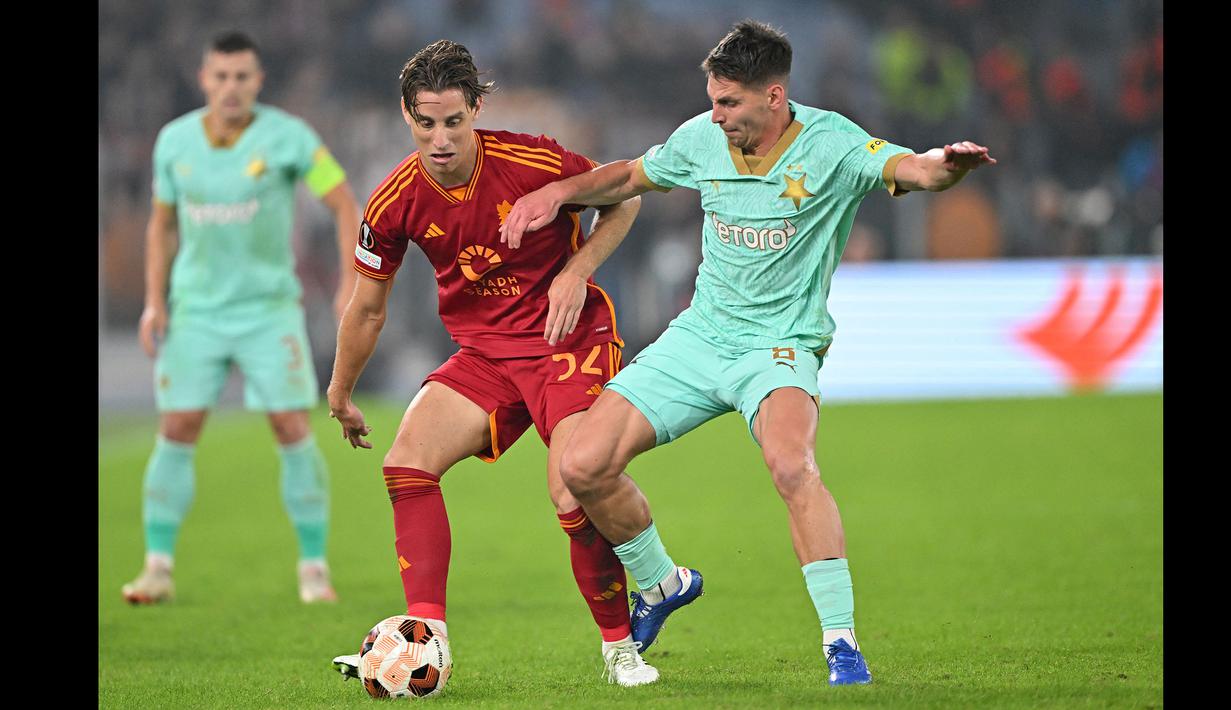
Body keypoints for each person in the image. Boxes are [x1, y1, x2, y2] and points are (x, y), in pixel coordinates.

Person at [500, 20, 996, 686]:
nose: (716, 115)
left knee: (791, 465)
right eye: (713, 100)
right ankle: (661, 583)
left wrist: (946, 165)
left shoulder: (831, 142)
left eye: (728, 102)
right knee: (582, 466)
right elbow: (630, 177)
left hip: (779, 346)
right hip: (701, 335)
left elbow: (913, 168)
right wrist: (558, 192)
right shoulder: (702, 138)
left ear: (773, 95)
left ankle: (841, 642)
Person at [326, 40, 661, 686]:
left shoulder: (531, 161)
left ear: (476, 109)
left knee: (572, 488)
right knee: (406, 463)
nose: (441, 139)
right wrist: (341, 392)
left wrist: (578, 269)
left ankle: (621, 649)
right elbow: (366, 310)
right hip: (486, 354)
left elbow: (625, 197)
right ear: (406, 115)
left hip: (567, 340)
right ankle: (426, 641)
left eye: (454, 121)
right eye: (427, 123)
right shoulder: (394, 200)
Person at [122, 31, 361, 606]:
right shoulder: (175, 142)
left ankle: (313, 569)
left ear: (258, 81)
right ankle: (157, 567)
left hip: (268, 310)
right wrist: (154, 300)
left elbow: (344, 203)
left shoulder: (288, 138)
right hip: (197, 309)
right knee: (177, 428)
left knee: (292, 427)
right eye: (221, 77)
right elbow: (162, 225)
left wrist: (351, 283)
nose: (231, 87)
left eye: (242, 77)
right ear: (205, 80)